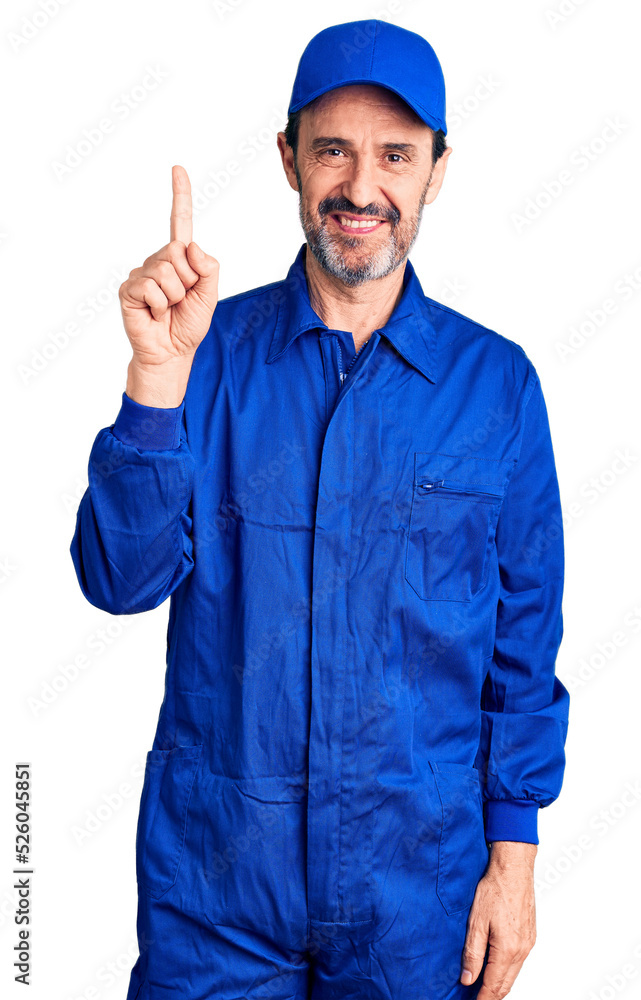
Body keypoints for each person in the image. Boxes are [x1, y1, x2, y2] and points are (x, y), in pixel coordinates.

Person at [69, 18, 570, 1000]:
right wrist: (153, 381)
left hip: (414, 894)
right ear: (287, 159)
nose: (360, 186)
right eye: (331, 148)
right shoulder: (203, 355)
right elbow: (119, 583)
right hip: (215, 887)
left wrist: (513, 859)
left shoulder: (495, 387)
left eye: (394, 155)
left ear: (435, 170)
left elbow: (523, 640)